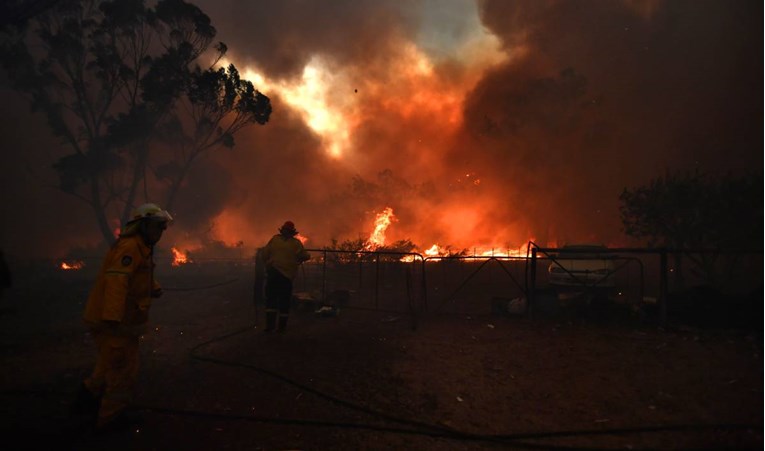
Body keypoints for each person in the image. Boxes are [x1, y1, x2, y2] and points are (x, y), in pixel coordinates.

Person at [73, 203, 172, 431]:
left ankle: (84, 412)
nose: (161, 232)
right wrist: (112, 319)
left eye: (163, 227)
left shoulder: (140, 247)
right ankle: (110, 419)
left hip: (121, 323)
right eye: (158, 227)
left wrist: (153, 287)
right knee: (122, 371)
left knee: (106, 368)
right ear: (144, 225)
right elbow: (117, 282)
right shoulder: (130, 248)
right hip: (115, 324)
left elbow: (137, 277)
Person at [261, 221, 310, 332]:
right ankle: (281, 328)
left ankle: (270, 327)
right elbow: (305, 256)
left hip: (273, 273)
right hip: (286, 277)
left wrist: (268, 264)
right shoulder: (296, 243)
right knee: (284, 301)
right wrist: (297, 260)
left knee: (271, 300)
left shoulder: (275, 240)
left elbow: (264, 254)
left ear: (282, 231)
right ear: (292, 232)